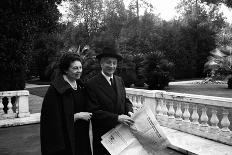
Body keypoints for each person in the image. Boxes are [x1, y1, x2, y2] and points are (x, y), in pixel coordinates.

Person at [40, 53, 92, 155]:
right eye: (75, 68)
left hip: (81, 135)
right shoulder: (55, 90)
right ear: (65, 70)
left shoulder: (81, 86)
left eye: (80, 67)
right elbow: (51, 120)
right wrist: (76, 116)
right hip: (64, 139)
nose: (79, 71)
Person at [86, 46, 134, 155]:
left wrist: (130, 110)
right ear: (101, 64)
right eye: (108, 62)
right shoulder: (91, 84)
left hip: (122, 132)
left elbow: (125, 100)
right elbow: (93, 112)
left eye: (114, 63)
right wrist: (117, 118)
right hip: (104, 136)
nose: (112, 66)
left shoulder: (119, 80)